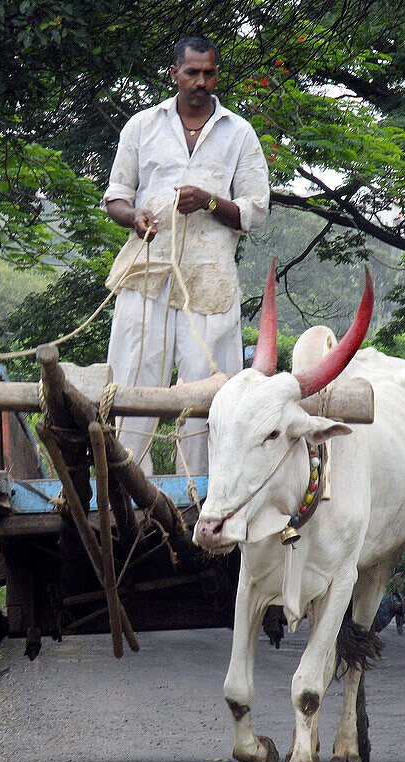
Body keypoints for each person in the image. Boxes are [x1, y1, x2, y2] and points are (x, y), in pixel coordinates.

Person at [103, 34, 270, 475]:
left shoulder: (240, 133)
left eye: (209, 73)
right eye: (192, 72)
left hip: (209, 285)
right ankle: (125, 492)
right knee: (133, 386)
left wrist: (209, 201)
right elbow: (116, 197)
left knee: (206, 396)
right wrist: (134, 217)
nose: (201, 81)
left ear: (217, 76)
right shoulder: (142, 126)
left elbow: (254, 212)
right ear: (174, 72)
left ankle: (197, 499)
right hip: (146, 275)